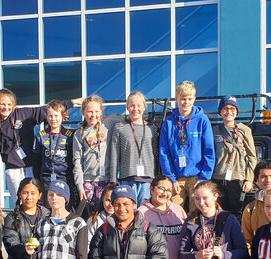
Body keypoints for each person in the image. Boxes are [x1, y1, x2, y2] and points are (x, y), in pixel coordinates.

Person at [0, 89, 78, 200]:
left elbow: (48, 110)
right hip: (13, 170)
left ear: (13, 105)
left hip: (31, 168)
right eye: (2, 104)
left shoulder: (23, 114)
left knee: (35, 201)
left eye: (9, 104)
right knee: (20, 202)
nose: (6, 107)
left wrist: (73, 102)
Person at [158, 81, 215, 209]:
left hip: (197, 176)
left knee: (198, 212)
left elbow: (209, 151)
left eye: (190, 99)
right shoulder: (169, 123)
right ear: (177, 99)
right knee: (172, 211)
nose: (186, 102)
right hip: (176, 178)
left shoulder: (202, 120)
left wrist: (203, 178)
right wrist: (171, 178)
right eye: (183, 99)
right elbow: (164, 152)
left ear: (194, 99)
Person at [109, 91, 157, 205]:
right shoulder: (120, 128)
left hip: (147, 180)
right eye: (131, 105)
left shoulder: (152, 128)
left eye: (138, 105)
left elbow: (155, 154)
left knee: (144, 214)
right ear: (127, 107)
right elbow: (114, 155)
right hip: (127, 178)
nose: (135, 108)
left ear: (144, 107)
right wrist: (113, 180)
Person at [211, 96, 257, 214]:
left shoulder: (244, 130)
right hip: (218, 178)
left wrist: (249, 179)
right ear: (220, 112)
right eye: (225, 108)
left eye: (232, 108)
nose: (229, 112)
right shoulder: (214, 130)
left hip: (237, 179)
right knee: (219, 213)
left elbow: (252, 156)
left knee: (236, 214)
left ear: (236, 111)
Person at [33, 100, 81, 206]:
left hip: (65, 179)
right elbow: (36, 162)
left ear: (63, 116)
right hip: (46, 180)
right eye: (50, 116)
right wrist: (37, 181)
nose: (53, 119)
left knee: (66, 208)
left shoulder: (70, 135)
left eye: (56, 115)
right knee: (48, 209)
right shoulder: (40, 136)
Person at [73, 95, 111, 215]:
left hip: (106, 180)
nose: (93, 115)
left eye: (96, 111)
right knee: (89, 215)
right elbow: (77, 161)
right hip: (87, 181)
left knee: (104, 214)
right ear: (83, 112)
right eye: (89, 111)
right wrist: (80, 185)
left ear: (101, 112)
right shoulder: (79, 134)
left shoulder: (109, 129)